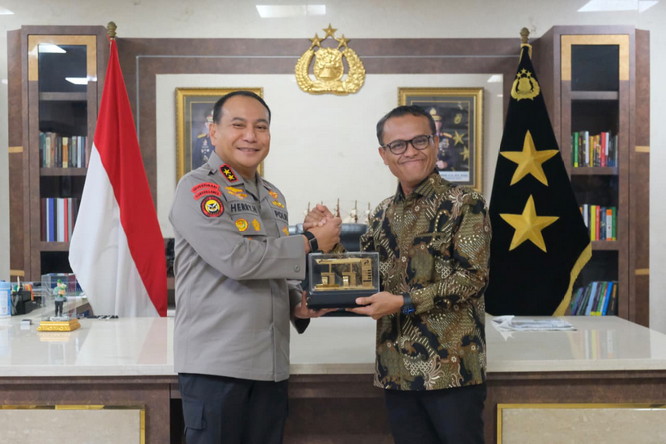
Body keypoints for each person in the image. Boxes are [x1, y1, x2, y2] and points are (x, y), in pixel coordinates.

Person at [307, 105, 491, 444]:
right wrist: (327, 241)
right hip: (396, 371)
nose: (410, 151)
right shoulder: (382, 213)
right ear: (384, 154)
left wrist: (404, 302)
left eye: (419, 140)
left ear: (435, 142)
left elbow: (472, 279)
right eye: (398, 145)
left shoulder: (465, 203)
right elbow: (362, 276)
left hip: (452, 371)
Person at [169, 90, 341, 444]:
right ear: (213, 131)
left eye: (261, 127)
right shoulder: (199, 188)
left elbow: (273, 266)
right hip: (217, 367)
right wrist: (310, 241)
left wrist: (296, 304)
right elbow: (237, 259)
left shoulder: (272, 196)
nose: (251, 135)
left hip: (270, 367)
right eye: (238, 125)